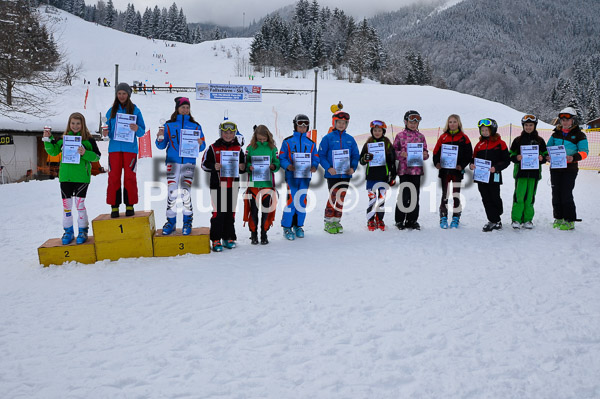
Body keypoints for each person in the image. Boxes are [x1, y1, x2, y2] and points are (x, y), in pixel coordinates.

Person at [43, 113, 101, 245]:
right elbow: (52, 152)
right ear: (69, 124)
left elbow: (97, 157)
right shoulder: (63, 139)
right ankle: (68, 231)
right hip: (65, 177)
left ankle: (83, 230)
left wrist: (85, 153)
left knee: (79, 205)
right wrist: (47, 140)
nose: (75, 126)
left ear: (83, 124)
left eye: (78, 123)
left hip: (81, 177)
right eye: (73, 123)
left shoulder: (88, 140)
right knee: (67, 206)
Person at [155, 97, 206, 235]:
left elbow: (203, 147)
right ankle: (171, 222)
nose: (185, 110)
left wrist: (200, 142)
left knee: (185, 192)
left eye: (187, 107)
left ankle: (187, 221)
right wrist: (159, 136)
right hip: (173, 162)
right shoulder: (168, 125)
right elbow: (161, 145)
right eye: (183, 107)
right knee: (172, 191)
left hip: (188, 163)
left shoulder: (196, 126)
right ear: (177, 108)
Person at [201, 121, 246, 251]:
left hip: (233, 184)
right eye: (225, 132)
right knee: (218, 212)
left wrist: (242, 167)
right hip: (217, 185)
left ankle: (228, 237)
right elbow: (204, 164)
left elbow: (243, 167)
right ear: (220, 133)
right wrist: (213, 166)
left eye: (231, 132)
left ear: (234, 134)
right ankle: (215, 239)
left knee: (230, 212)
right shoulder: (213, 148)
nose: (228, 135)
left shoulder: (238, 149)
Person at [103, 82, 146, 218]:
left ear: (128, 95)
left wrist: (136, 129)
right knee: (113, 176)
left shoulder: (136, 110)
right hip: (115, 149)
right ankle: (114, 206)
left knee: (130, 177)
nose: (121, 96)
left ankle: (130, 204)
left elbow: (142, 132)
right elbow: (107, 130)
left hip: (130, 149)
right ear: (116, 94)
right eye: (119, 93)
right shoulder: (111, 111)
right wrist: (105, 133)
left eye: (124, 93)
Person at [546, 107, 589, 230]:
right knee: (556, 193)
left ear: (573, 121)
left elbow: (585, 152)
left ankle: (569, 220)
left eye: (567, 120)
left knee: (566, 193)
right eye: (562, 119)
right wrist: (547, 156)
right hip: (555, 168)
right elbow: (548, 148)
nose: (564, 122)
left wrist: (573, 158)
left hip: (570, 169)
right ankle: (558, 217)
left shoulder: (579, 135)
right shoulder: (555, 134)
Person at [279, 114, 320, 240]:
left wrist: (314, 166)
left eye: (305, 126)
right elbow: (282, 157)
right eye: (300, 126)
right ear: (295, 126)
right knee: (291, 200)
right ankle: (287, 226)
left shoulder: (311, 143)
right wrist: (288, 166)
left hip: (305, 177)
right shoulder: (288, 141)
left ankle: (298, 225)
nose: (302, 128)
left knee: (302, 201)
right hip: (291, 176)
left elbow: (316, 157)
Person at [318, 110, 360, 234]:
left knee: (341, 197)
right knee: (333, 196)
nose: (341, 125)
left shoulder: (350, 139)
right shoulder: (328, 138)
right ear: (334, 123)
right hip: (333, 173)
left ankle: (336, 220)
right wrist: (328, 167)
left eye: (344, 123)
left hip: (346, 173)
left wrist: (353, 167)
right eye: (339, 122)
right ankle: (328, 221)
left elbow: (355, 155)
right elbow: (321, 155)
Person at [432, 114, 473, 229]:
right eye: (450, 122)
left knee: (456, 194)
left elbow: (469, 154)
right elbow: (436, 152)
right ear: (447, 124)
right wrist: (437, 163)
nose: (452, 124)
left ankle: (456, 216)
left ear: (459, 123)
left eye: (455, 122)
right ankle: (443, 216)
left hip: (457, 172)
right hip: (445, 171)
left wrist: (461, 165)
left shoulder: (464, 138)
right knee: (445, 194)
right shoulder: (443, 137)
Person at [469, 118, 510, 232]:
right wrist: (471, 165)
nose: (485, 132)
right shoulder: (479, 145)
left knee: (495, 197)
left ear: (493, 130)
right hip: (481, 177)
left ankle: (497, 214)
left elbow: (506, 160)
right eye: (482, 130)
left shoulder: (500, 144)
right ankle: (493, 220)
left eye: (487, 130)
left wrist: (496, 168)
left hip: (494, 176)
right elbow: (473, 159)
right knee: (486, 198)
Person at [509, 114, 548, 229]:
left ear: (534, 126)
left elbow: (545, 155)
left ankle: (527, 220)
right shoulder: (518, 140)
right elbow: (511, 154)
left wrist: (542, 158)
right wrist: (516, 158)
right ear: (523, 126)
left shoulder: (540, 141)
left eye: (531, 125)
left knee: (530, 197)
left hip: (534, 174)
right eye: (526, 125)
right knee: (519, 196)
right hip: (521, 173)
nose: (528, 127)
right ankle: (516, 219)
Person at [243, 125, 280, 245]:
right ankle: (253, 234)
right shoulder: (250, 147)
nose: (262, 141)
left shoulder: (272, 148)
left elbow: (277, 162)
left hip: (267, 184)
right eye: (260, 139)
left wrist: (273, 166)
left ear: (268, 137)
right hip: (254, 184)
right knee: (253, 211)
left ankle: (264, 233)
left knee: (266, 210)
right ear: (255, 137)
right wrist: (249, 167)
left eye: (264, 139)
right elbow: (246, 161)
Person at [393, 110, 429, 230]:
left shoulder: (421, 137)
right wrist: (400, 154)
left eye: (416, 122)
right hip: (404, 171)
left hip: (416, 171)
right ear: (405, 122)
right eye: (411, 122)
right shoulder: (400, 136)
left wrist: (424, 154)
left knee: (415, 195)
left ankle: (412, 220)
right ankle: (399, 220)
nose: (413, 124)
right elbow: (393, 152)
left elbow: (426, 152)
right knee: (404, 195)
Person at [359, 120, 396, 231]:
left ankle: (380, 219)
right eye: (375, 130)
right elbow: (361, 161)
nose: (377, 132)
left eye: (379, 130)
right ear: (372, 131)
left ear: (383, 131)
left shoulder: (388, 143)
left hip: (383, 177)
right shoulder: (368, 144)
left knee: (381, 200)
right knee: (372, 200)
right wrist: (365, 158)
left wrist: (392, 176)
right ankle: (370, 219)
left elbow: (392, 161)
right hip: (371, 177)